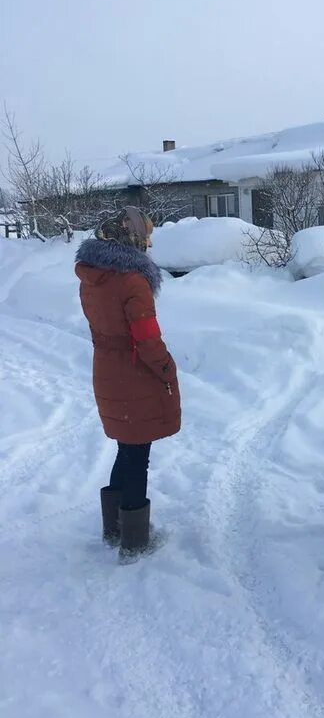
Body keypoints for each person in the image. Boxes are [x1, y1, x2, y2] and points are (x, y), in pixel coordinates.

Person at [75, 206, 181, 560]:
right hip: (134, 374)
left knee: (126, 446)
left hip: (107, 370)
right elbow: (147, 338)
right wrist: (166, 368)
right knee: (138, 455)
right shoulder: (133, 280)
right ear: (131, 235)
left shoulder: (93, 275)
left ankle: (113, 528)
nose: (150, 241)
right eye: (146, 234)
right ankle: (134, 542)